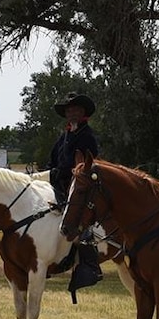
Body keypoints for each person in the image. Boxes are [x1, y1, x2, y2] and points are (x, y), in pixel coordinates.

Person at [47, 92, 104, 293]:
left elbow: (88, 164)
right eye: (68, 110)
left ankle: (90, 265)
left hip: (79, 187)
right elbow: (53, 159)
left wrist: (62, 172)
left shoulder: (87, 136)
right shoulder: (65, 135)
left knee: (78, 219)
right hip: (59, 184)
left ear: (83, 113)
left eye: (75, 110)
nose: (71, 113)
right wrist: (52, 173)